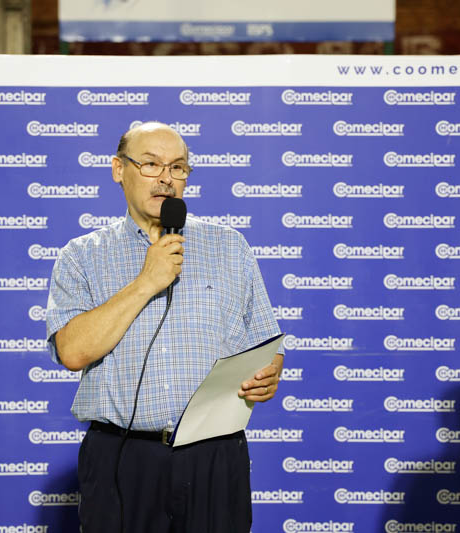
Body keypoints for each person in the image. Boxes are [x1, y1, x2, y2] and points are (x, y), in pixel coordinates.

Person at [45, 121, 284, 533]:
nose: (166, 179)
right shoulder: (80, 256)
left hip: (215, 457)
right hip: (123, 458)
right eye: (151, 165)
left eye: (178, 168)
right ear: (119, 169)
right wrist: (146, 281)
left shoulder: (230, 246)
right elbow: (73, 352)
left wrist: (270, 372)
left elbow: (266, 341)